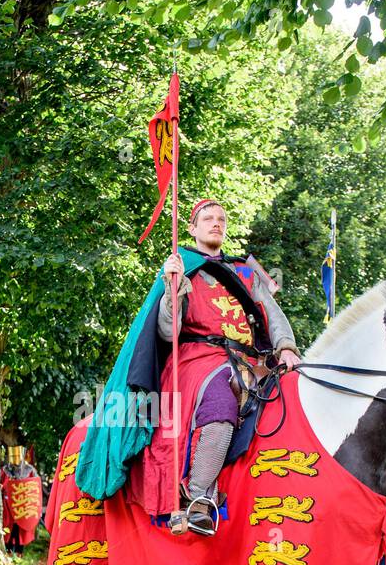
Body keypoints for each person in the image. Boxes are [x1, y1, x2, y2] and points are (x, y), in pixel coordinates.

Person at [77, 198, 300, 536]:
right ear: (193, 229)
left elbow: (272, 314)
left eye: (221, 218)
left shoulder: (246, 271)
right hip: (201, 358)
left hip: (252, 358)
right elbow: (168, 329)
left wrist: (287, 348)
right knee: (222, 400)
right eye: (207, 218)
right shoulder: (183, 268)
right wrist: (171, 291)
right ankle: (198, 497)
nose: (216, 223)